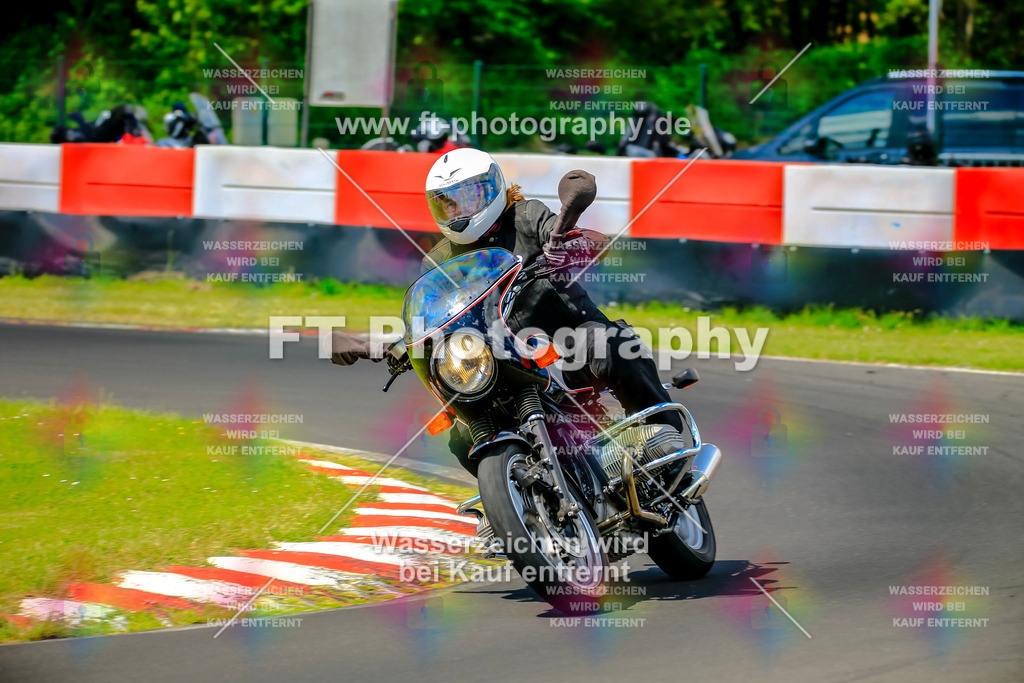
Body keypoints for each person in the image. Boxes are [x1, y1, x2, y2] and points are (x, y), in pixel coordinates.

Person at [421, 148, 682, 472]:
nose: (456, 209)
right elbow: (430, 315)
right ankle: (520, 490)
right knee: (461, 433)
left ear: (491, 189)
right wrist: (401, 343)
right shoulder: (438, 262)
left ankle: (664, 439)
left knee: (612, 345)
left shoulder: (525, 216)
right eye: (447, 202)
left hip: (566, 335)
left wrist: (572, 247)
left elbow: (570, 236)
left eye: (465, 197)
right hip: (502, 359)